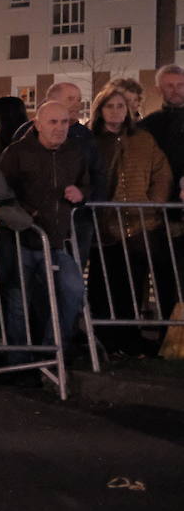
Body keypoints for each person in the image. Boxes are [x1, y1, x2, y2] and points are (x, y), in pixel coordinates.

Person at [0, 101, 89, 349]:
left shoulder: (74, 153)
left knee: (74, 290)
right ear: (37, 124)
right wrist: (26, 212)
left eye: (64, 122)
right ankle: (20, 361)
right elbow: (1, 192)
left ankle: (52, 350)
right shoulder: (17, 153)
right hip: (22, 239)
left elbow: (86, 184)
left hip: (57, 242)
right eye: (53, 122)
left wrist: (81, 193)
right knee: (18, 304)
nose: (60, 128)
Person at [87, 86, 172, 353]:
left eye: (120, 106)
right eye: (109, 106)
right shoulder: (91, 141)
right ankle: (103, 337)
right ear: (100, 110)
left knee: (133, 281)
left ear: (129, 110)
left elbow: (161, 172)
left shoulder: (143, 139)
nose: (115, 112)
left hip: (139, 223)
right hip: (103, 224)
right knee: (104, 282)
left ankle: (129, 336)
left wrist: (154, 202)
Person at [11, 82, 105, 200]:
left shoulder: (85, 136)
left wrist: (84, 195)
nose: (77, 105)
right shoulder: (27, 132)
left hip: (77, 213)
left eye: (79, 100)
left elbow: (97, 175)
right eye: (71, 99)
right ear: (51, 101)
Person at [138, 64, 184, 201]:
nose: (175, 90)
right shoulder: (148, 125)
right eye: (169, 86)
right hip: (159, 200)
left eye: (180, 85)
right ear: (159, 90)